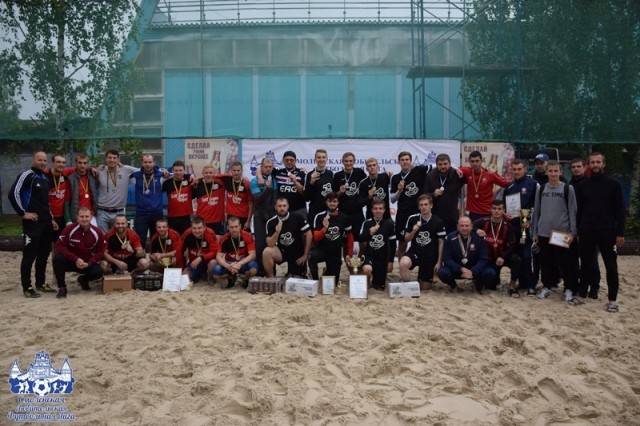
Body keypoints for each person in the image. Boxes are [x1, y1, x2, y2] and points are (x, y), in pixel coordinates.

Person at [576, 152, 625, 312]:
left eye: (598, 162)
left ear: (603, 164)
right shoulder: (583, 185)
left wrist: (620, 233)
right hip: (587, 231)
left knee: (611, 266)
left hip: (608, 232)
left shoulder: (614, 184)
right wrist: (578, 230)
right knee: (586, 264)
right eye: (592, 162)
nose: (595, 165)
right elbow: (579, 211)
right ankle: (582, 294)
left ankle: (612, 300)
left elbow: (620, 211)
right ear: (588, 164)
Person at [532, 160, 582, 305]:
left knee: (567, 263)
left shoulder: (567, 188)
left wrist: (573, 232)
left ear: (560, 172)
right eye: (550, 171)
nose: (553, 174)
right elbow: (537, 211)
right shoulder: (541, 189)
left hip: (562, 233)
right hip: (544, 232)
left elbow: (572, 211)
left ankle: (569, 288)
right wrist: (535, 232)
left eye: (556, 171)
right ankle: (547, 286)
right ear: (546, 172)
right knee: (546, 262)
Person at [8, 151, 58, 297]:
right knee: (29, 255)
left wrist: (51, 218)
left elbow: (45, 202)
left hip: (46, 222)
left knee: (44, 254)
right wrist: (23, 213)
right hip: (32, 223)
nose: (42, 162)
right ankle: (27, 287)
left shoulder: (45, 178)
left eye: (44, 160)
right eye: (39, 160)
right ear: (33, 160)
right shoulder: (27, 175)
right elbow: (13, 193)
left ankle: (40, 283)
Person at [499, 159, 538, 296]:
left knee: (527, 255)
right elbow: (504, 207)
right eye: (514, 169)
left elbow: (537, 205)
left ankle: (531, 285)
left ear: (525, 169)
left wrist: (530, 220)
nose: (516, 172)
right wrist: (505, 213)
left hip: (526, 224)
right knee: (515, 255)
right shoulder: (509, 187)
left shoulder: (533, 184)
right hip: (513, 226)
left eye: (519, 169)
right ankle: (516, 283)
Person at [52, 207, 106, 298]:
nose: (84, 219)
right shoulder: (69, 229)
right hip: (71, 261)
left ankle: (83, 280)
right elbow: (59, 246)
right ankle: (62, 287)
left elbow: (101, 252)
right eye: (81, 216)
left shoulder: (97, 232)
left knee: (98, 272)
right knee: (57, 259)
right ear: (77, 217)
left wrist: (89, 263)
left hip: (87, 263)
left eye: (86, 216)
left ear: (91, 217)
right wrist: (75, 259)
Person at [399, 194, 446, 289]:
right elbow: (406, 239)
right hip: (415, 252)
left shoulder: (438, 221)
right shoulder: (412, 218)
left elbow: (441, 243)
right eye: (421, 205)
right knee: (403, 263)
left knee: (425, 288)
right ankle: (408, 288)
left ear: (431, 205)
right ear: (418, 207)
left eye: (426, 204)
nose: (423, 207)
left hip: (429, 256)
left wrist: (439, 262)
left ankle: (422, 279)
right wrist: (414, 230)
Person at [473, 200, 520, 293]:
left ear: (503, 211)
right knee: (491, 283)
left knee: (516, 259)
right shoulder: (483, 222)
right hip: (488, 258)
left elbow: (512, 245)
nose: (496, 211)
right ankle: (484, 279)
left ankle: (512, 284)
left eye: (499, 209)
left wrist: (503, 256)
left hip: (502, 256)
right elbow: (469, 226)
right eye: (494, 208)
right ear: (490, 210)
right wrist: (476, 230)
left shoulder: (508, 226)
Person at [438, 216, 494, 293]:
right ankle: (453, 285)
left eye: (467, 226)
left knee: (490, 273)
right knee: (442, 272)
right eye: (462, 226)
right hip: (458, 269)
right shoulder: (450, 238)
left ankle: (478, 284)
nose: (464, 228)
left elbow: (483, 258)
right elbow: (447, 259)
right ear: (457, 227)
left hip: (474, 269)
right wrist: (460, 269)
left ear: (471, 226)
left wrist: (473, 271)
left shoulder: (479, 238)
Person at [391, 151, 430, 258]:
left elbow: (436, 165)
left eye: (407, 159)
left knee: (421, 241)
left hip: (418, 213)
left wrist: (456, 169)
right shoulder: (395, 178)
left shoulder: (419, 170)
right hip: (402, 214)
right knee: (402, 243)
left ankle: (420, 265)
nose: (405, 162)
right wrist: (399, 191)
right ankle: (401, 266)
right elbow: (392, 200)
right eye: (402, 160)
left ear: (411, 161)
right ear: (399, 162)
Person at [308, 192, 354, 280]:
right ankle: (315, 280)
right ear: (326, 202)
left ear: (338, 202)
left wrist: (349, 254)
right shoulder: (319, 216)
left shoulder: (344, 217)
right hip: (321, 249)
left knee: (333, 282)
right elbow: (316, 238)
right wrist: (324, 228)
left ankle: (326, 272)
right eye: (329, 201)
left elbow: (350, 237)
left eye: (334, 201)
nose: (332, 204)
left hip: (336, 252)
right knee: (312, 257)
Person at [263, 197, 311, 277]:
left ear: (288, 206)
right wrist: (277, 232)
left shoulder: (298, 217)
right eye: (279, 206)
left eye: (284, 206)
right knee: (266, 252)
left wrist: (305, 255)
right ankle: (271, 279)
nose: (282, 208)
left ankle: (298, 271)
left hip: (297, 252)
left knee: (296, 278)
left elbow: (309, 234)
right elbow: (270, 244)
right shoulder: (271, 222)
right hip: (281, 252)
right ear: (275, 207)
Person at [95, 150, 138, 232]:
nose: (112, 160)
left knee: (118, 236)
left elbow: (142, 170)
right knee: (103, 237)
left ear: (118, 159)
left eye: (114, 158)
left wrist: (162, 171)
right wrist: (95, 168)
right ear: (105, 159)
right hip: (102, 211)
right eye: (109, 158)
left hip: (119, 212)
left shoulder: (126, 170)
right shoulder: (100, 171)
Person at [460, 151, 510, 221]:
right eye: (472, 161)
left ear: (481, 161)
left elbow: (506, 184)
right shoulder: (467, 171)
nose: (475, 163)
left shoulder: (490, 174)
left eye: (477, 161)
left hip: (487, 212)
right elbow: (455, 170)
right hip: (473, 213)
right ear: (469, 162)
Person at [424, 153, 466, 233]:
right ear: (436, 165)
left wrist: (461, 171)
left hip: (452, 217)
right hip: (436, 216)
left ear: (450, 164)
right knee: (437, 239)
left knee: (451, 239)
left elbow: (469, 173)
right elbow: (424, 196)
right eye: (440, 164)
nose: (443, 166)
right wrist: (433, 194)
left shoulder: (457, 174)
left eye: (445, 164)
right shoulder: (430, 176)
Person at [359, 200, 396, 290]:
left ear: (384, 210)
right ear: (372, 210)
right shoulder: (366, 223)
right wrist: (369, 232)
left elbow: (393, 244)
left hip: (382, 259)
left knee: (379, 287)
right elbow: (360, 239)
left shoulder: (389, 224)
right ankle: (367, 281)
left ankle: (377, 280)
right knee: (367, 269)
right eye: (375, 208)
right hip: (369, 256)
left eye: (380, 208)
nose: (378, 211)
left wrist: (390, 261)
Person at [212, 216, 258, 288]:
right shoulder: (224, 238)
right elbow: (218, 256)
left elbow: (252, 255)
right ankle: (231, 278)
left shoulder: (247, 236)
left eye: (236, 227)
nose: (234, 229)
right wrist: (228, 266)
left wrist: (239, 264)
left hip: (242, 263)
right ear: (228, 227)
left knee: (253, 267)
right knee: (216, 270)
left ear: (240, 226)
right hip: (230, 264)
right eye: (231, 227)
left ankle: (244, 279)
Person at [250, 157, 277, 275]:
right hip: (259, 216)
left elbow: (275, 199)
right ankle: (260, 271)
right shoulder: (254, 181)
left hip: (271, 216)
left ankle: (271, 271)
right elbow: (257, 199)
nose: (268, 169)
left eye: (270, 167)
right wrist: (267, 188)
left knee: (271, 244)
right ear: (261, 167)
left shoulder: (274, 180)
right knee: (260, 244)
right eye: (266, 167)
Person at [131, 154, 166, 245]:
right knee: (140, 239)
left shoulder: (161, 175)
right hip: (141, 213)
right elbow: (124, 170)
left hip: (156, 213)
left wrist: (190, 176)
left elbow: (177, 174)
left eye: (150, 162)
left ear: (154, 163)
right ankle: (141, 254)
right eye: (145, 162)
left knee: (156, 239)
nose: (147, 164)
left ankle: (155, 254)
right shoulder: (136, 175)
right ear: (142, 163)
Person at [332, 152, 367, 239]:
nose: (348, 163)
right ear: (342, 162)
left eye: (351, 161)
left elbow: (368, 184)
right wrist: (340, 192)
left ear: (354, 161)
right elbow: (333, 196)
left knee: (361, 238)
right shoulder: (337, 175)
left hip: (357, 212)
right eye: (346, 161)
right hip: (342, 212)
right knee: (343, 238)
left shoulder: (359, 172)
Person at [180, 216, 219, 283]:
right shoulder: (186, 234)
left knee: (213, 263)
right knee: (184, 278)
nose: (197, 231)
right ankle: (201, 275)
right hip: (194, 263)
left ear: (204, 227)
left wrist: (201, 258)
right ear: (191, 227)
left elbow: (215, 251)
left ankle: (210, 278)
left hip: (207, 261)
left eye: (199, 228)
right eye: (194, 228)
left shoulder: (210, 233)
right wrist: (182, 268)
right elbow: (180, 251)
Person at [64, 153, 98, 226]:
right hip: (77, 216)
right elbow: (67, 201)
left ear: (88, 164)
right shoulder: (71, 179)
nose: (82, 165)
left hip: (91, 215)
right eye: (80, 163)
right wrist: (68, 220)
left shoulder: (93, 176)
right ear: (76, 163)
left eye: (85, 163)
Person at [192, 165, 226, 235]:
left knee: (218, 240)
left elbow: (229, 176)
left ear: (214, 173)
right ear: (202, 173)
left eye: (210, 173)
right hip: (202, 221)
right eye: (206, 173)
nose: (208, 174)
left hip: (217, 221)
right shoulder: (197, 184)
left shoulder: (220, 183)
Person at [162, 160, 193, 235]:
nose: (178, 172)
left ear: (184, 171)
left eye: (180, 170)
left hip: (186, 217)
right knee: (173, 238)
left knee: (186, 238)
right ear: (172, 171)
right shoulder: (167, 183)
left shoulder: (189, 180)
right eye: (176, 170)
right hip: (172, 217)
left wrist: (190, 175)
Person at [220, 161, 253, 229]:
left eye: (238, 170)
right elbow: (213, 176)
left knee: (243, 236)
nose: (236, 172)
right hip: (230, 216)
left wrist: (248, 221)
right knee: (230, 235)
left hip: (243, 217)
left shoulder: (246, 184)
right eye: (234, 170)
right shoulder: (227, 180)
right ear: (231, 171)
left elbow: (251, 204)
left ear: (242, 171)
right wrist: (198, 180)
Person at [304, 149, 334, 222]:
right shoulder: (309, 175)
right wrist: (311, 182)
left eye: (323, 157)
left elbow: (334, 195)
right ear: (315, 159)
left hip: (328, 211)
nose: (321, 159)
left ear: (327, 159)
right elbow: (306, 198)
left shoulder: (331, 174)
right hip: (314, 212)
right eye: (319, 157)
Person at [274, 151, 306, 218]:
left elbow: (304, 193)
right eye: (287, 160)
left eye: (291, 160)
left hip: (299, 209)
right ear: (283, 161)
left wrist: (295, 181)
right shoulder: (278, 172)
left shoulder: (302, 173)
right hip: (282, 210)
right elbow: (263, 167)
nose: (289, 162)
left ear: (295, 161)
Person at [46, 154, 70, 240]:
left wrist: (91, 168)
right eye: (58, 162)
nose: (61, 164)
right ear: (53, 163)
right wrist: (50, 218)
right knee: (47, 241)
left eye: (63, 162)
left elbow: (79, 168)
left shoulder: (65, 175)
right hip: (48, 216)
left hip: (62, 217)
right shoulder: (45, 176)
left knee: (60, 241)